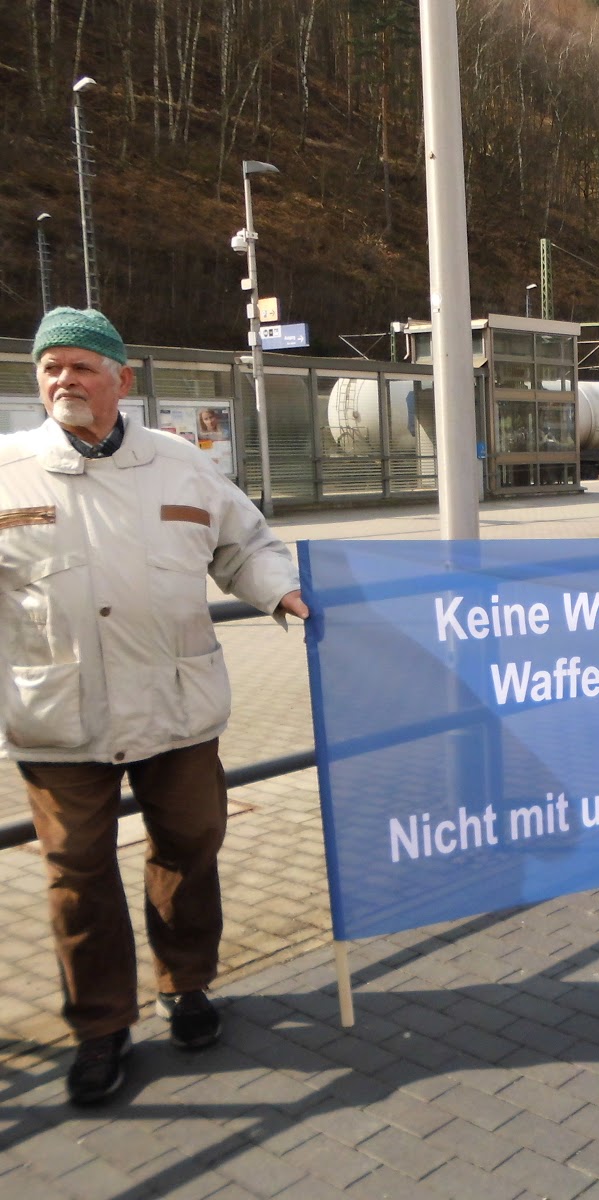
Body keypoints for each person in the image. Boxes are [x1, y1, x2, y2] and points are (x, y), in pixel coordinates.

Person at [4, 308, 309, 1106]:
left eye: (81, 366)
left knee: (191, 847)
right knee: (78, 875)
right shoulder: (6, 471)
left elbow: (245, 545)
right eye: (50, 367)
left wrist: (282, 591)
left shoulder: (181, 464)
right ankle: (101, 1026)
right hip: (59, 717)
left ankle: (187, 983)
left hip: (177, 707)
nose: (64, 380)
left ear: (122, 379)